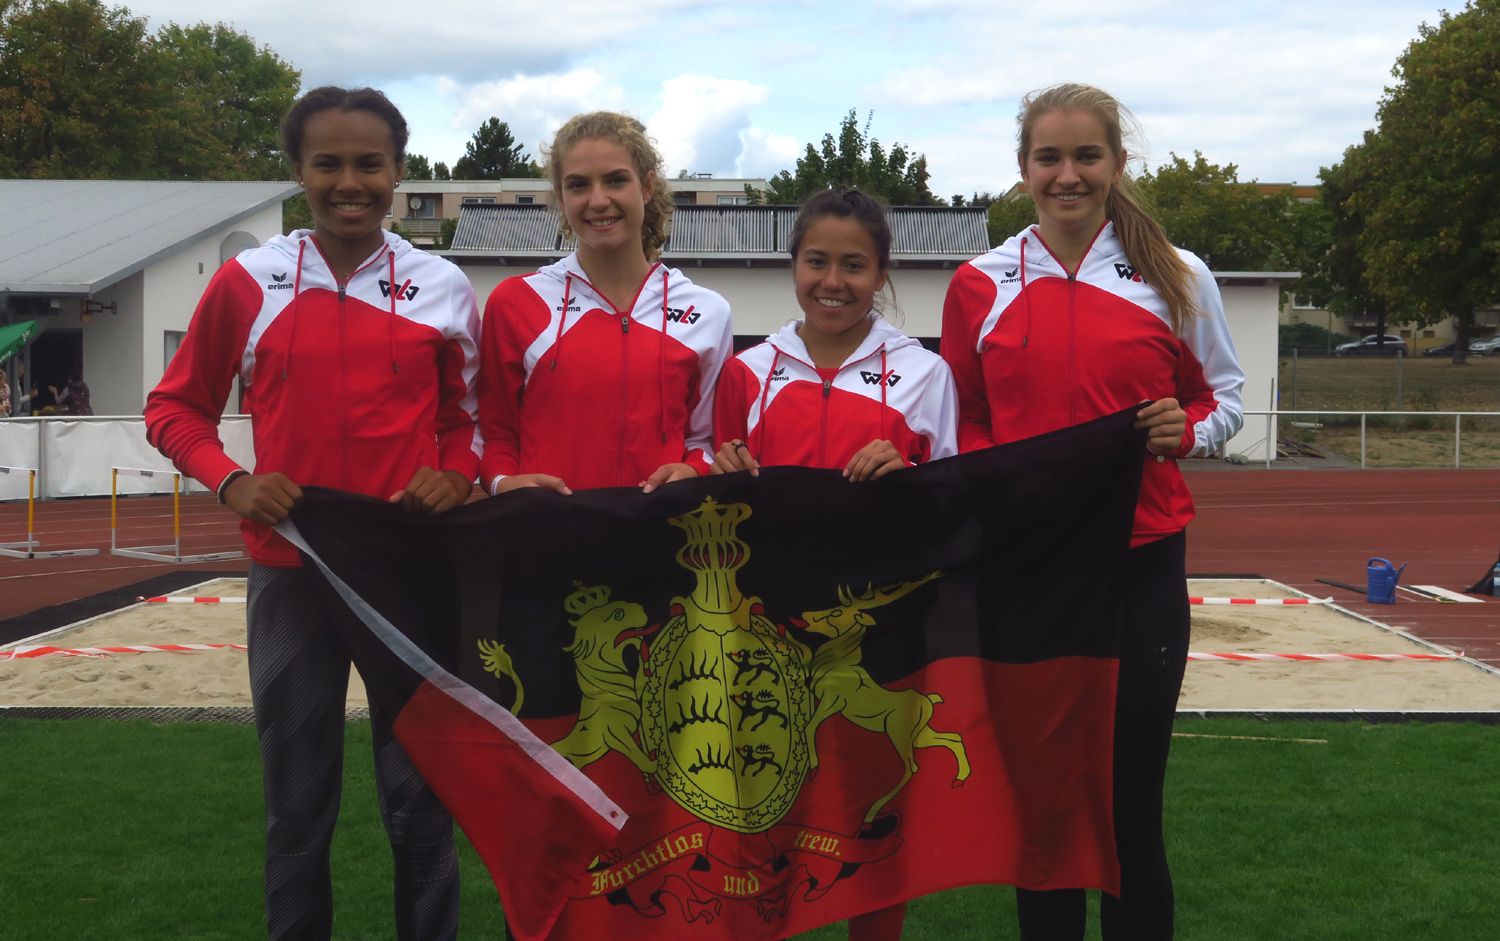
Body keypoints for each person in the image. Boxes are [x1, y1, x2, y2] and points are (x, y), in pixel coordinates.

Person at [144, 86, 479, 940]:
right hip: (290, 572)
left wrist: (456, 473)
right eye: (328, 163)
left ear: (399, 172)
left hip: (408, 576)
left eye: (370, 164)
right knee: (296, 810)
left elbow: (469, 421)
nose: (349, 182)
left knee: (422, 808)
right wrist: (233, 481)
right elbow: (175, 407)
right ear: (298, 170)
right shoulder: (247, 281)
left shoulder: (443, 286)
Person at [940, 83, 1244, 940]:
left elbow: (1223, 397)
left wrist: (1188, 431)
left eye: (1085, 156)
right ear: (1023, 169)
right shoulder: (979, 284)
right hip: (1027, 575)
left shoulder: (1177, 275)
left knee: (1128, 807)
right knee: (1043, 814)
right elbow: (963, 422)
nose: (1067, 175)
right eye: (1049, 158)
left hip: (1139, 564)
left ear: (1116, 163)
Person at [712, 187, 957, 941]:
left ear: (880, 274)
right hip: (765, 638)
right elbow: (716, 503)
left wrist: (911, 475)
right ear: (793, 265)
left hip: (876, 639)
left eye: (854, 265)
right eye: (817, 261)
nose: (833, 281)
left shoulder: (925, 374)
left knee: (870, 817)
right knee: (758, 818)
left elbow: (952, 510)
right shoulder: (746, 373)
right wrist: (721, 471)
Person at [476, 111, 732, 497]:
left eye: (615, 180)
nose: (598, 201)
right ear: (561, 197)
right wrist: (502, 482)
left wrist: (694, 468)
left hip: (656, 526)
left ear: (647, 187)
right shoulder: (515, 302)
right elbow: (495, 432)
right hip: (549, 527)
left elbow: (706, 439)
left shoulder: (708, 312)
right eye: (579, 185)